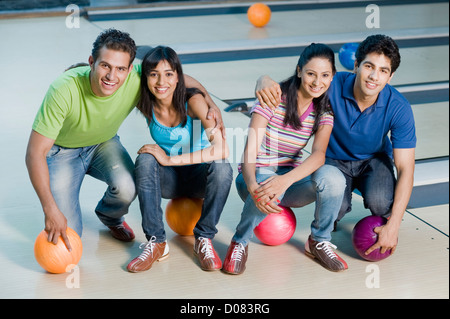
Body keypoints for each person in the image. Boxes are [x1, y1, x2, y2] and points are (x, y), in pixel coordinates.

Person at [25, 29, 225, 251]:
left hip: (103, 144)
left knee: (128, 185)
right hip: (62, 152)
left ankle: (110, 216)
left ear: (130, 69)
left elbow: (178, 78)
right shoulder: (62, 89)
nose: (112, 76)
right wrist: (50, 210)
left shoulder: (137, 77)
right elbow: (34, 153)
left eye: (120, 68)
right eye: (105, 66)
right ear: (92, 62)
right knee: (67, 237)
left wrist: (209, 102)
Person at [256, 34, 416, 268]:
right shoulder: (331, 85)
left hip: (373, 160)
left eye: (383, 71)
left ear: (391, 77)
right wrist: (264, 79)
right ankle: (323, 233)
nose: (374, 76)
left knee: (383, 204)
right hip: (333, 161)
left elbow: (406, 168)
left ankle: (378, 207)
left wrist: (394, 225)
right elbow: (297, 86)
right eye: (369, 66)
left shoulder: (399, 107)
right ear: (355, 66)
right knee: (335, 208)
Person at [222, 43, 349, 275]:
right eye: (311, 73)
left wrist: (284, 181)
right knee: (269, 183)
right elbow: (249, 151)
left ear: (332, 78)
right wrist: (252, 185)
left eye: (325, 75)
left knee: (334, 178)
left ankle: (319, 241)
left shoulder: (324, 109)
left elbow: (319, 155)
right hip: (254, 179)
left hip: (288, 182)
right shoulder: (274, 98)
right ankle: (239, 243)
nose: (317, 82)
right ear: (299, 71)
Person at [126, 46, 233, 273]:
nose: (161, 81)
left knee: (222, 167)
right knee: (145, 159)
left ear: (178, 78)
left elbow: (222, 149)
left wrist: (168, 160)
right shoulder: (144, 102)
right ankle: (156, 242)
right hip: (170, 182)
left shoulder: (193, 102)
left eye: (168, 74)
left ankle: (204, 238)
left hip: (199, 178)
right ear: (145, 78)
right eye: (153, 74)